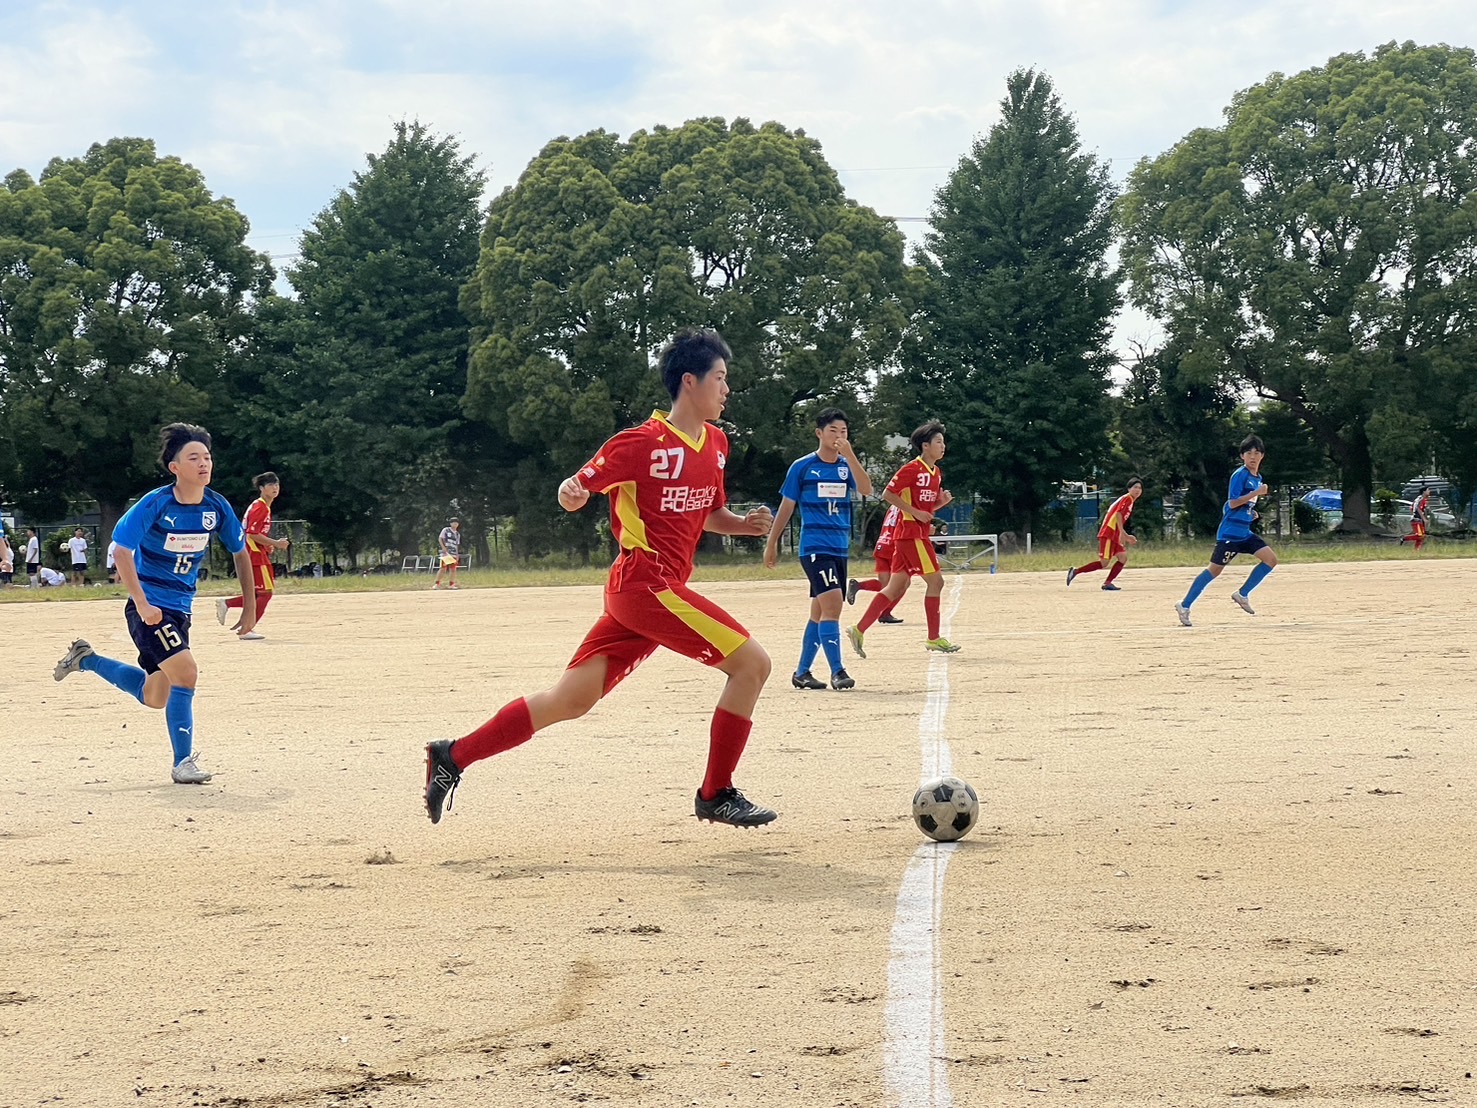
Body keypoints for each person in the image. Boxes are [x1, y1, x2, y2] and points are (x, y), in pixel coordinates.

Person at [422, 328, 778, 829]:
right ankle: (715, 793)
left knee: (570, 700)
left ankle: (452, 755)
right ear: (690, 381)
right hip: (646, 583)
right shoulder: (640, 443)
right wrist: (570, 493)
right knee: (753, 666)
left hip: (648, 594)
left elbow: (709, 512)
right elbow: (577, 487)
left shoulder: (717, 444)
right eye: (720, 378)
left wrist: (742, 525)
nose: (727, 388)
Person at [53, 423, 256, 784]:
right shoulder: (157, 503)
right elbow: (121, 551)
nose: (203, 463)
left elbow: (240, 552)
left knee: (155, 696)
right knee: (187, 673)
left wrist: (250, 607)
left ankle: (87, 659)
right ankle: (183, 763)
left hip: (180, 610)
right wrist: (142, 603)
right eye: (193, 458)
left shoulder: (216, 506)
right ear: (174, 467)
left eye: (207, 457)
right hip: (150, 609)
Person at [763, 407, 873, 691]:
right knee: (833, 605)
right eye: (833, 430)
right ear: (819, 433)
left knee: (819, 611)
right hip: (814, 547)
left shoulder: (845, 466)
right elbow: (786, 507)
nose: (838, 436)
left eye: (843, 431)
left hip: (839, 548)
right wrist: (772, 543)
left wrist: (850, 455)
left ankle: (802, 672)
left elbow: (867, 489)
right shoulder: (802, 466)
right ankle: (838, 671)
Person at [847, 421, 961, 658]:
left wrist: (939, 504)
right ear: (925, 446)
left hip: (912, 535)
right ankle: (933, 638)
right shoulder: (912, 469)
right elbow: (888, 494)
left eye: (943, 442)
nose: (943, 446)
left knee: (895, 586)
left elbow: (925, 510)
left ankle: (858, 629)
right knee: (936, 583)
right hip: (910, 535)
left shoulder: (935, 473)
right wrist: (916, 512)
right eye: (938, 442)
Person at [1175, 435, 1277, 627]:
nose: (1253, 456)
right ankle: (1185, 605)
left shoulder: (1258, 478)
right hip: (1230, 534)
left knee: (1270, 560)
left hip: (1244, 532)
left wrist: (1251, 513)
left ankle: (1242, 594)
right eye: (1248, 453)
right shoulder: (1240, 475)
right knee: (1213, 571)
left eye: (1257, 452)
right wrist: (1256, 493)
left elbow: (1242, 504)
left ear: (1262, 456)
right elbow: (1232, 502)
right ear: (1242, 456)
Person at [219, 471, 289, 640]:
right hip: (254, 555)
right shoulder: (260, 507)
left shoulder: (262, 506)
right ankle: (246, 629)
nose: (275, 488)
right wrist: (275, 543)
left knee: (258, 593)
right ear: (261, 488)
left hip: (255, 552)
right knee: (265, 593)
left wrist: (266, 545)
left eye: (276, 484)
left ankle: (228, 605)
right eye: (270, 485)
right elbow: (252, 534)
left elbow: (254, 534)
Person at [1067, 479, 1144, 591]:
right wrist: (1123, 533)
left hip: (1114, 533)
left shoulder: (1129, 500)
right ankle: (1075, 571)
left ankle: (1107, 583)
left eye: (1140, 488)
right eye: (1135, 487)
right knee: (1104, 563)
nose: (1137, 490)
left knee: (1122, 558)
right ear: (1129, 489)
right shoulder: (1127, 499)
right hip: (1109, 532)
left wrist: (1123, 534)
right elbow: (1118, 514)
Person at [846, 505, 906, 624]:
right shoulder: (907, 505)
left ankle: (858, 586)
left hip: (882, 543)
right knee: (902, 584)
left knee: (885, 585)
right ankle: (885, 613)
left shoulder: (893, 505)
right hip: (894, 547)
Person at [432, 519, 462, 589]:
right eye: (453, 522)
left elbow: (457, 545)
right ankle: (437, 584)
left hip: (453, 553)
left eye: (456, 523)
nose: (455, 524)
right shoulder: (446, 530)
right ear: (450, 524)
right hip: (446, 553)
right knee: (443, 568)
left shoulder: (457, 534)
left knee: (453, 569)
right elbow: (440, 539)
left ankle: (451, 584)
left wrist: (457, 554)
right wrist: (443, 547)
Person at [1399, 487, 1430, 551]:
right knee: (1420, 536)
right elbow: (1418, 508)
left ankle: (1416, 550)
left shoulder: (1420, 499)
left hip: (1418, 520)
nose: (1429, 491)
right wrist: (1424, 518)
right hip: (1416, 520)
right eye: (1428, 490)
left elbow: (1412, 507)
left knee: (1422, 536)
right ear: (1424, 491)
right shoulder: (1421, 498)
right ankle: (1404, 538)